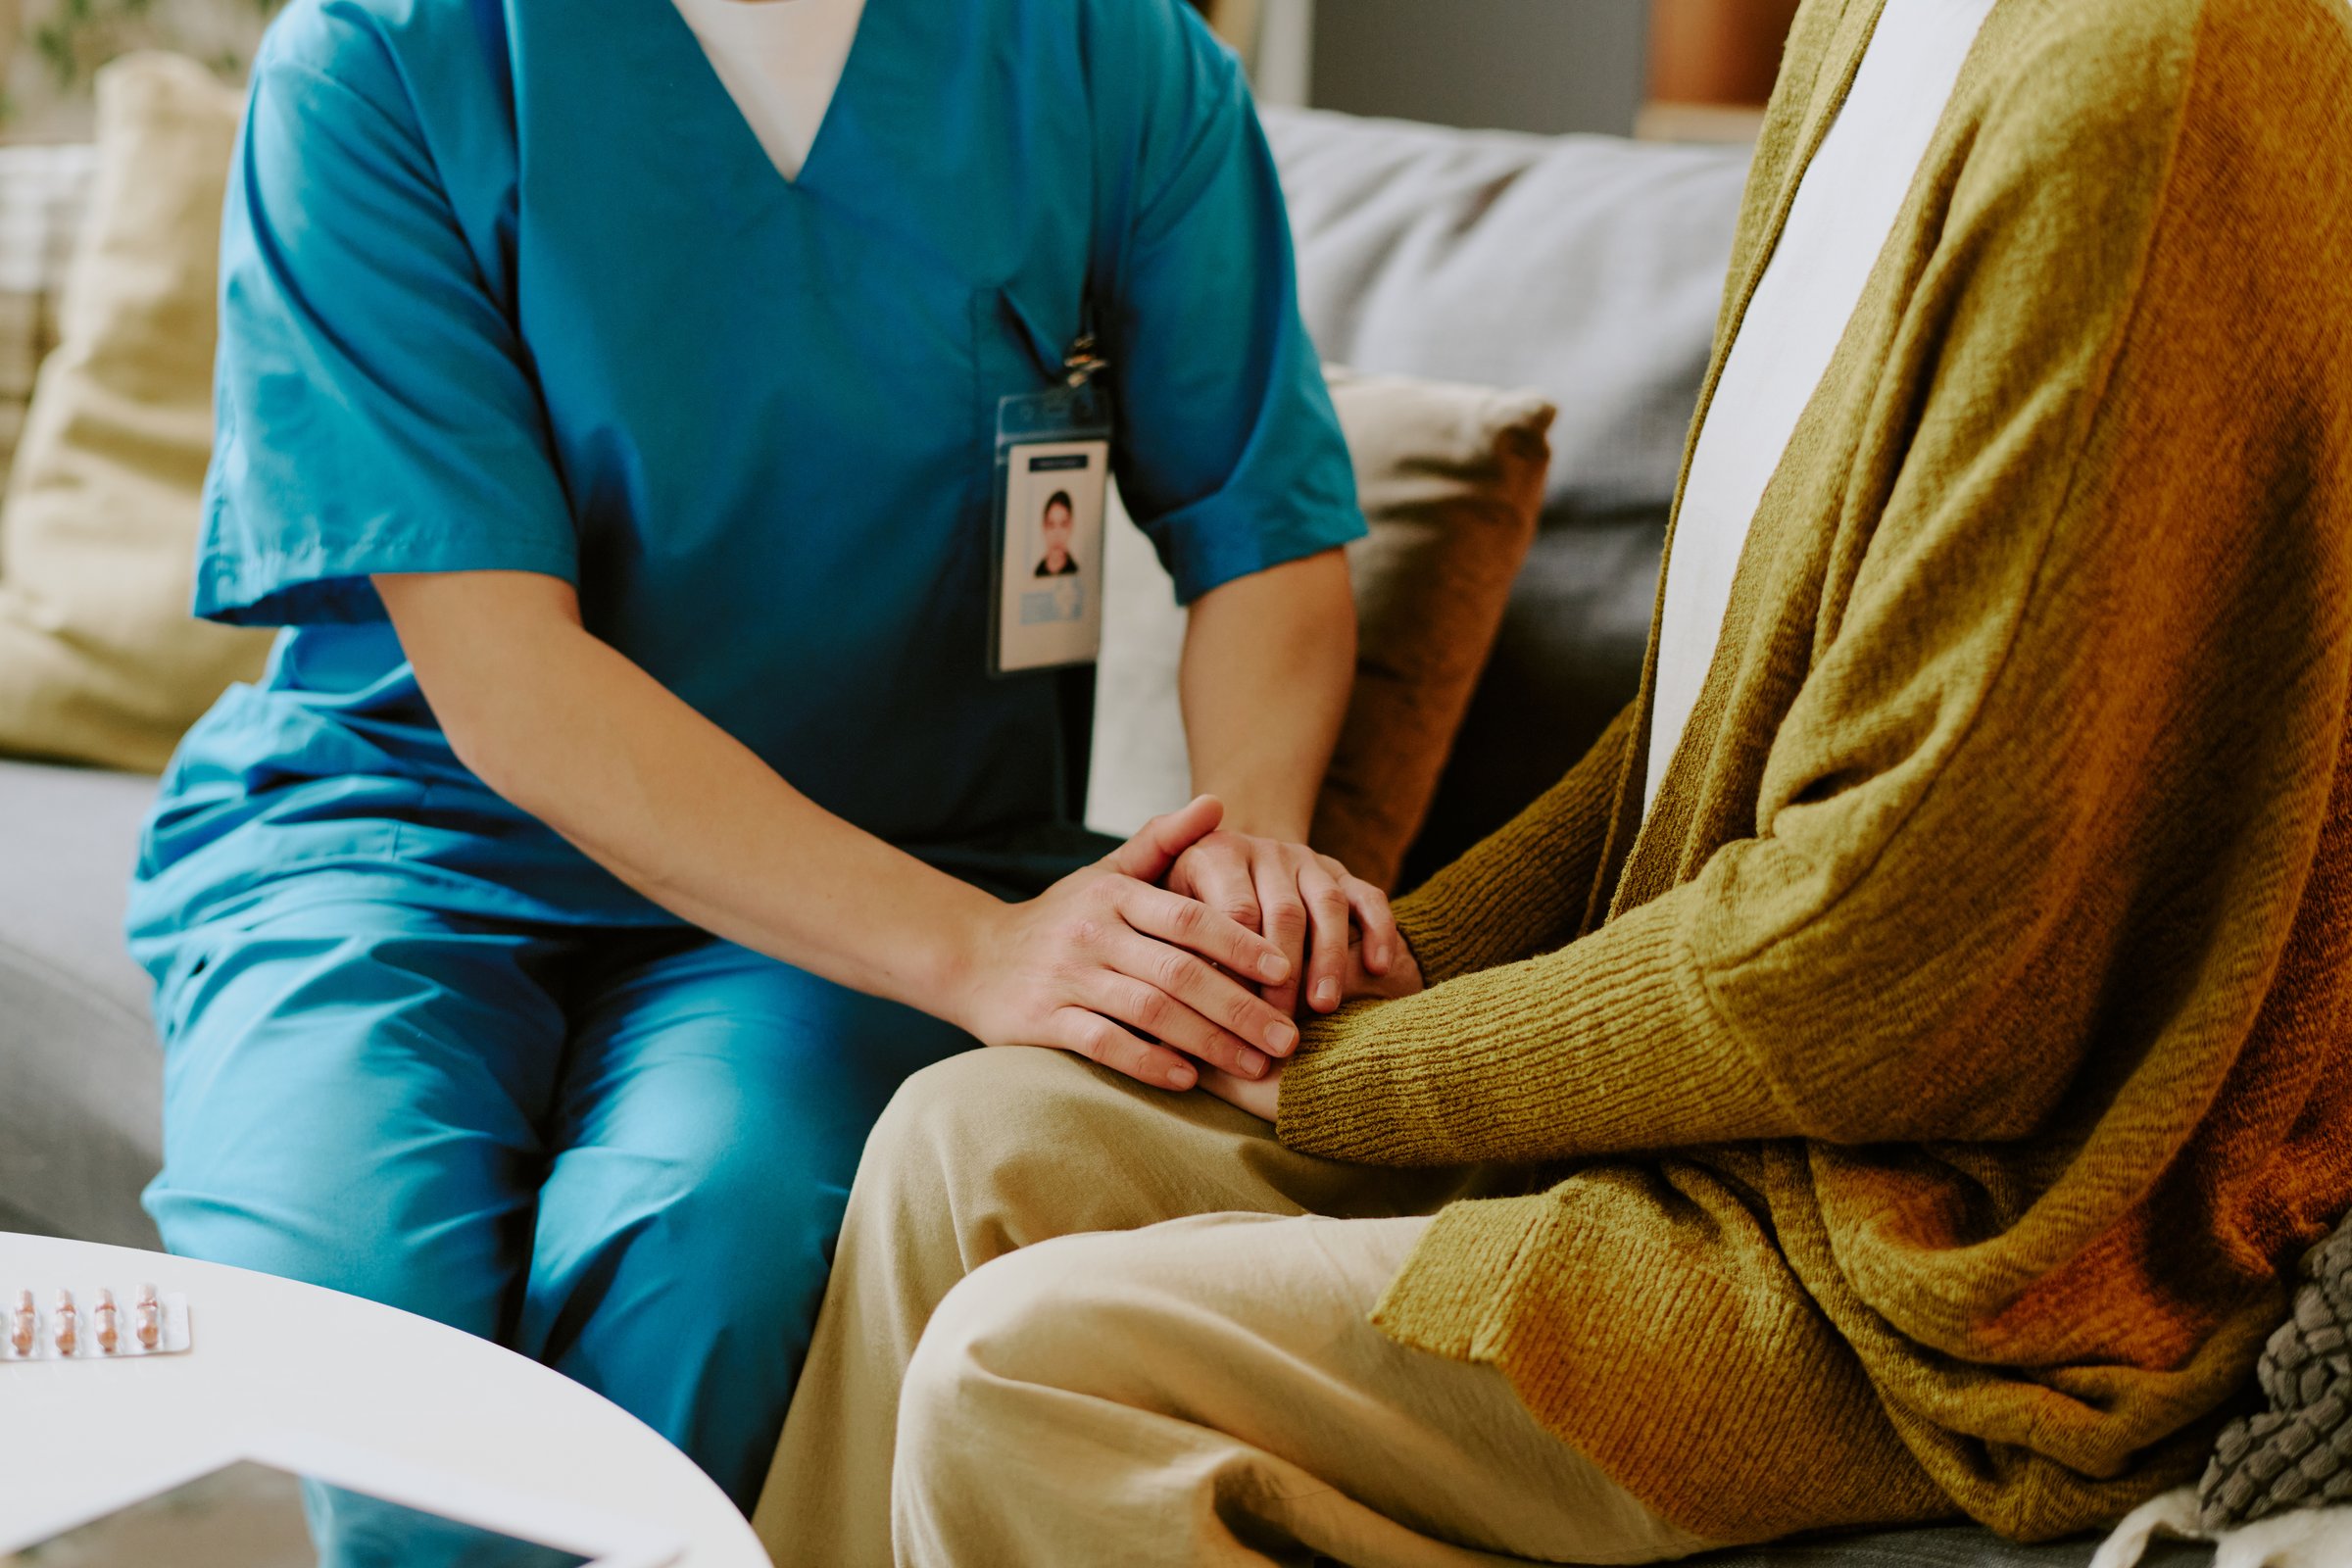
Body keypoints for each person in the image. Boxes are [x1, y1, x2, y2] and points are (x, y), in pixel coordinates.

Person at [757, 0, 2352, 1561]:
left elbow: (1872, 977)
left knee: (1042, 1371)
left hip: (1944, 1247)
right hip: (1722, 1131)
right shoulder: (1861, 26)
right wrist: (1359, 975)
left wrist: (1333, 1071)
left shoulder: (2141, 81)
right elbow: (1707, 729)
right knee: (967, 1142)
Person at [127, 0, 1396, 1518]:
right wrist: (982, 954)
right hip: (406, 848)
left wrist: (1247, 840)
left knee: (708, 1239)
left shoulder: (1109, 60)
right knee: (351, 1309)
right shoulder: (383, 60)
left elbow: (1263, 538)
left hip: (869, 873)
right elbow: (511, 686)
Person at [1034, 490, 1080, 576]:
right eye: (1051, 525)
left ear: (1071, 527)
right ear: (1044, 527)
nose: (1057, 534)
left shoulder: (1079, 572)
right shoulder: (1036, 573)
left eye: (1063, 524)